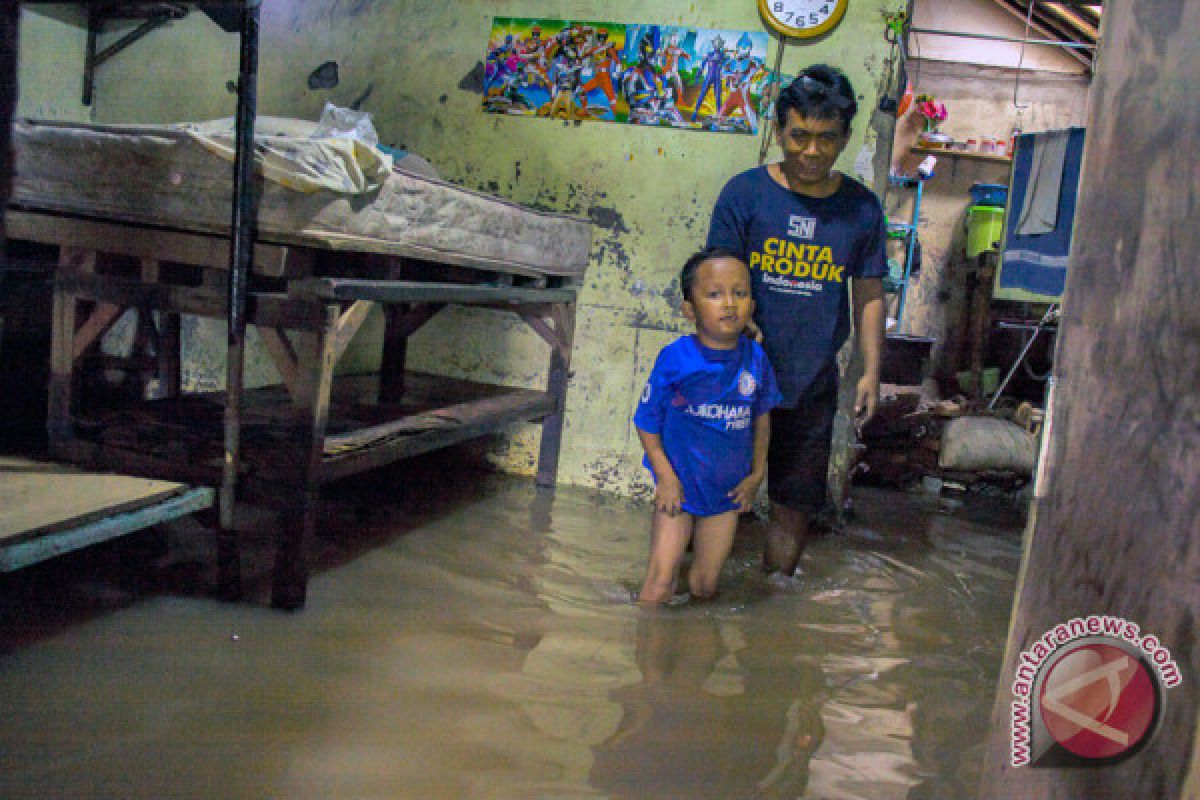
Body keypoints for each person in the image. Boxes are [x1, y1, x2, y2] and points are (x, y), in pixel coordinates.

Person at [705, 64, 886, 578]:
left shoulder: (862, 210)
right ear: (779, 130)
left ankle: (773, 604)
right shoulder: (743, 195)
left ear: (845, 138)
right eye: (799, 136)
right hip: (734, 379)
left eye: (827, 139)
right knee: (717, 495)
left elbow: (869, 292)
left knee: (794, 501)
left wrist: (872, 370)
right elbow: (716, 278)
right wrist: (738, 323)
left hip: (810, 386)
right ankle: (700, 594)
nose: (811, 151)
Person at [633, 248, 782, 605]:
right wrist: (665, 477)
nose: (729, 304)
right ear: (690, 310)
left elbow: (762, 418)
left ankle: (694, 650)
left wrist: (756, 474)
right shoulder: (676, 358)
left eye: (739, 293)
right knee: (658, 584)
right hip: (679, 489)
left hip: (727, 494)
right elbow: (646, 422)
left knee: (705, 585)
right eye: (714, 295)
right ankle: (647, 652)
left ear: (752, 304)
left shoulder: (755, 359)